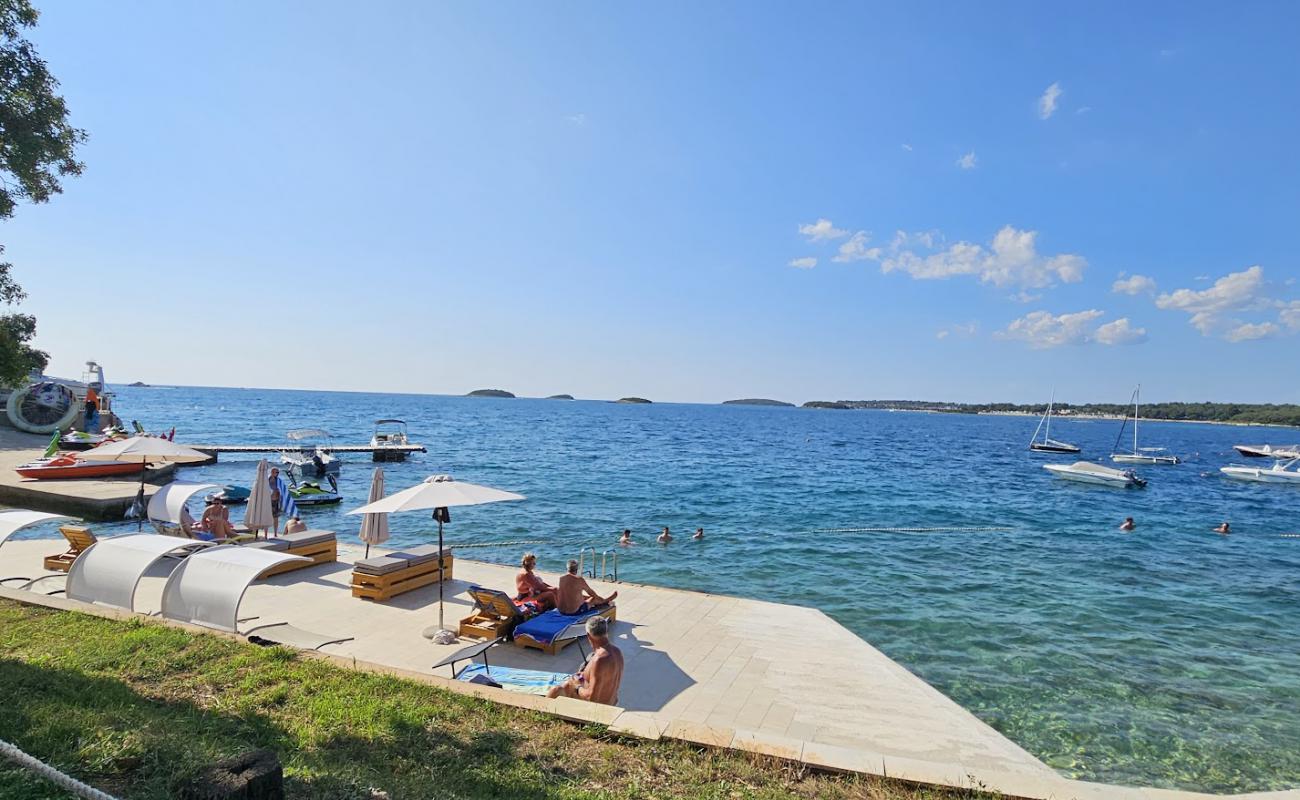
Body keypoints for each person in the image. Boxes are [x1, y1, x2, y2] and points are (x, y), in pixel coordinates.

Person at [546, 616, 623, 705]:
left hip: (598, 709)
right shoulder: (617, 652)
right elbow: (605, 679)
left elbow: (591, 698)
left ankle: (540, 713)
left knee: (556, 690)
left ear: (588, 636)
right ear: (606, 632)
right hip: (611, 702)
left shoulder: (599, 659)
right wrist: (584, 675)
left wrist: (577, 686)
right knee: (567, 685)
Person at [268, 467, 283, 535]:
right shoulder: (267, 480)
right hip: (269, 501)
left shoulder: (278, 480)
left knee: (276, 518)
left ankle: (275, 533)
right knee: (267, 517)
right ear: (272, 472)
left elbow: (281, 489)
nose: (277, 474)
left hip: (276, 501)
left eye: (278, 472)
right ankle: (266, 533)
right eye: (276, 472)